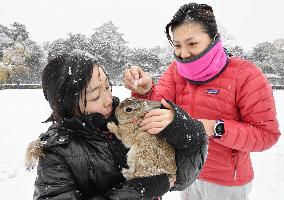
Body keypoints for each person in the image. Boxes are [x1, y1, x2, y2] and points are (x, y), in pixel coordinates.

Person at [123, 3, 281, 200]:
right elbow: (157, 108)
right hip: (188, 174)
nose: (183, 53)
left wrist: (214, 127)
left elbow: (267, 134)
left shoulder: (246, 75)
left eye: (192, 43)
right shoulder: (175, 71)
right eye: (178, 45)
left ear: (214, 38)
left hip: (227, 184)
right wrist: (145, 92)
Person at [25, 50, 208, 200]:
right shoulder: (56, 153)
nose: (108, 100)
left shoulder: (125, 119)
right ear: (67, 105)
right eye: (95, 96)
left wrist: (184, 130)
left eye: (107, 86)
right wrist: (138, 192)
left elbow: (182, 177)